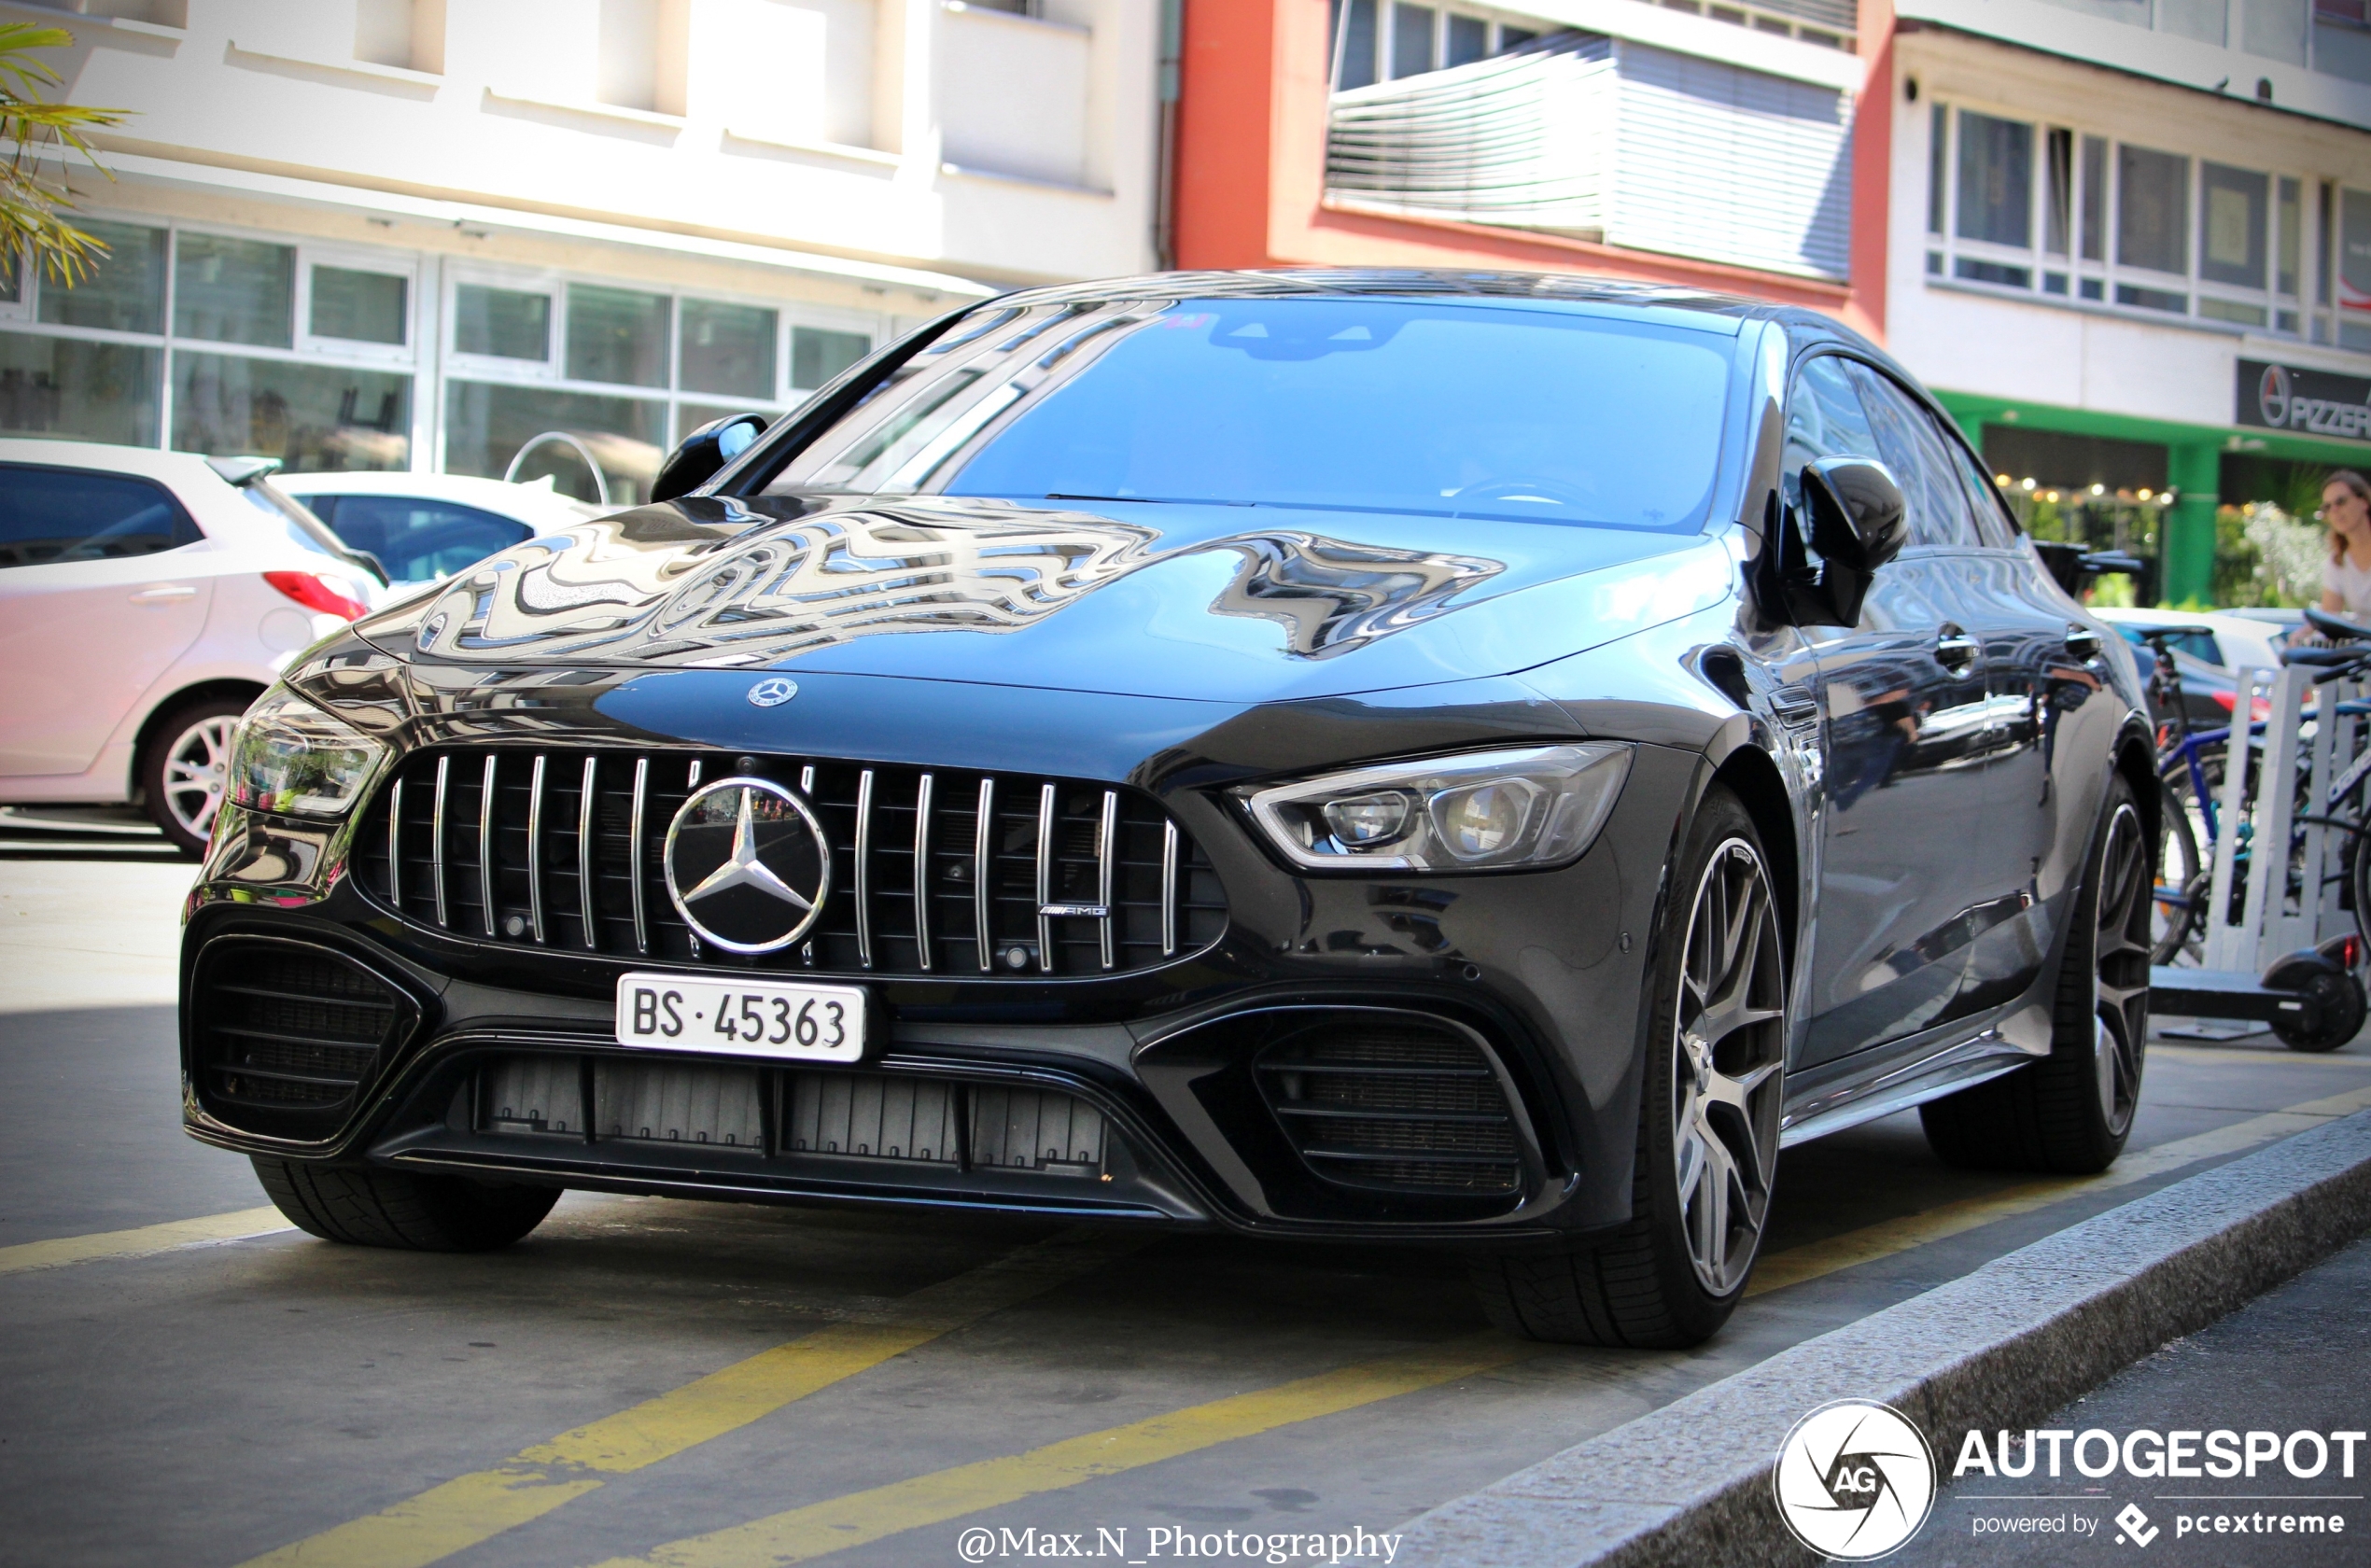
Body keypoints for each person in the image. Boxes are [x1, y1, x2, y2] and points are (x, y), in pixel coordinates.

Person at [2321, 469, 2371, 622]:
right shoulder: (2338, 560)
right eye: (2327, 507)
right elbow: (2329, 615)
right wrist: (2301, 634)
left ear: (2363, 502)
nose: (2334, 510)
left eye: (2340, 501)